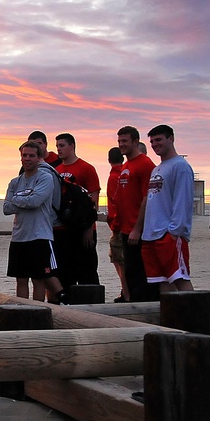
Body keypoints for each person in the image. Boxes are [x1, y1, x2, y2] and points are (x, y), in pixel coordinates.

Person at [4, 140, 65, 303]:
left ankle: (37, 310)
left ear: (39, 158)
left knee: (39, 280)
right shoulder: (15, 182)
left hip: (39, 236)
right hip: (18, 237)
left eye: (31, 155)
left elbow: (35, 201)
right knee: (21, 279)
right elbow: (6, 208)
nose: (27, 159)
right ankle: (22, 311)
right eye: (24, 155)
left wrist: (17, 199)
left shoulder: (45, 177)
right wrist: (25, 199)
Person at [139, 125, 194, 293]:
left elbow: (183, 200)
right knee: (162, 281)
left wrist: (174, 231)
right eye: (152, 141)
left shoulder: (180, 166)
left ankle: (196, 316)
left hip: (168, 234)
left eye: (159, 140)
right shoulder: (157, 168)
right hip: (151, 235)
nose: (155, 144)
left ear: (171, 139)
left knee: (179, 278)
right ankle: (172, 318)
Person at [53, 133, 101, 289]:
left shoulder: (86, 168)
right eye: (57, 146)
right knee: (65, 272)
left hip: (84, 228)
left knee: (87, 270)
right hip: (64, 229)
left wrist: (89, 228)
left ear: (71, 146)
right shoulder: (57, 170)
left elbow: (93, 199)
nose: (58, 149)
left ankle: (93, 305)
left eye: (62, 145)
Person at [116, 126, 156, 302]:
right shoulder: (126, 165)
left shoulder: (145, 164)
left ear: (135, 141)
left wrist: (137, 229)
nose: (121, 145)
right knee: (131, 273)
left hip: (139, 231)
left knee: (142, 275)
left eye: (125, 141)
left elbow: (148, 198)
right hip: (125, 229)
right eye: (119, 141)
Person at [105, 147, 129, 302]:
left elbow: (117, 201)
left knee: (119, 260)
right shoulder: (125, 172)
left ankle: (126, 292)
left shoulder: (115, 176)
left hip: (119, 225)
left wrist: (114, 222)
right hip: (125, 224)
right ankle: (126, 291)